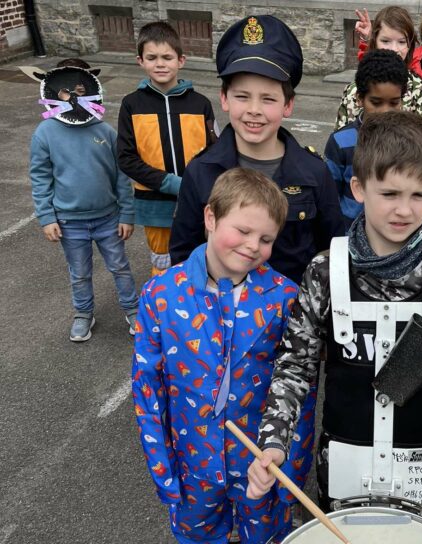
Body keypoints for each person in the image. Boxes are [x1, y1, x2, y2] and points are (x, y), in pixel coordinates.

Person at [245, 111, 422, 521]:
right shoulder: (325, 270)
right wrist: (274, 439)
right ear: (358, 188)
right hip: (342, 471)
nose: (404, 210)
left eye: (419, 195)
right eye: (390, 193)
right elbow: (295, 366)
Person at [132, 168, 317, 544]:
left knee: (266, 536)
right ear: (210, 217)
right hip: (192, 462)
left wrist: (290, 475)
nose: (253, 246)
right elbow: (147, 389)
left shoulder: (285, 298)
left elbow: (301, 388)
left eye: (266, 239)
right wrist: (162, 470)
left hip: (260, 462)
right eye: (243, 230)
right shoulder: (160, 295)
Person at [169, 15, 344, 284]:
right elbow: (183, 256)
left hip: (293, 308)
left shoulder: (314, 173)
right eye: (242, 96)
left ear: (288, 105)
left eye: (268, 99)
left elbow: (333, 253)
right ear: (224, 98)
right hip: (217, 308)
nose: (254, 109)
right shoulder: (201, 171)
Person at [29, 59, 139, 342]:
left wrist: (127, 214)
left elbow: (121, 176)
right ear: (54, 92)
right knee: (79, 273)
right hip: (70, 222)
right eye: (66, 91)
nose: (73, 96)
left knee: (120, 267)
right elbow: (40, 179)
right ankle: (83, 313)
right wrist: (47, 217)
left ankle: (133, 309)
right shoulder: (45, 133)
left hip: (108, 219)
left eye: (80, 89)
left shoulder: (105, 131)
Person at [118, 22, 216, 277]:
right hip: (155, 205)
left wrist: (199, 185)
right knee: (163, 262)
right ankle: (163, 300)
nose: (160, 64)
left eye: (167, 57)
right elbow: (126, 158)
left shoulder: (200, 104)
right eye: (152, 58)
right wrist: (171, 183)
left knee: (200, 258)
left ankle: (198, 299)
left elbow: (215, 152)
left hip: (197, 200)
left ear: (181, 60)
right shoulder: (131, 105)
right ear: (140, 61)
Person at [325, 49, 409, 227]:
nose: (385, 111)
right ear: (359, 98)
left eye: (394, 103)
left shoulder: (410, 142)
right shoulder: (340, 142)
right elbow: (329, 199)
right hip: (349, 235)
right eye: (376, 103)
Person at [335, 6, 422, 130]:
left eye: (402, 42)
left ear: (410, 45)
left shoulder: (419, 87)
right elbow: (342, 136)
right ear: (375, 41)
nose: (394, 49)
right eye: (385, 41)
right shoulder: (353, 90)